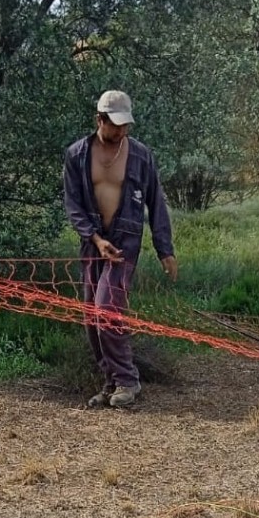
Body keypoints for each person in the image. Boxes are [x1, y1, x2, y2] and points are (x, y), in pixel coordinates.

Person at [63, 90, 178, 408]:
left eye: (125, 125)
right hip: (93, 244)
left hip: (125, 242)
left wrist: (164, 249)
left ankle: (129, 380)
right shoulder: (77, 155)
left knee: (107, 309)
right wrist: (95, 239)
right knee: (91, 317)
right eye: (115, 125)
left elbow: (156, 202)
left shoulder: (141, 155)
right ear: (99, 119)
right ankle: (111, 382)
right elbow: (73, 205)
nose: (122, 131)